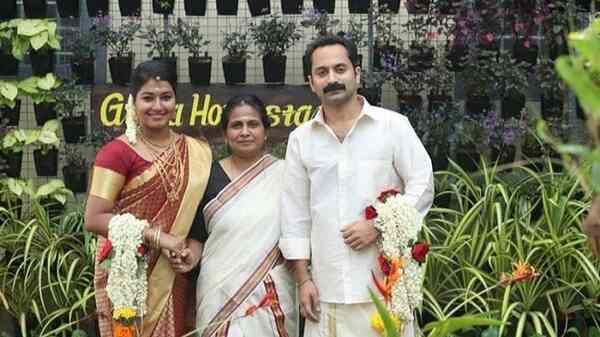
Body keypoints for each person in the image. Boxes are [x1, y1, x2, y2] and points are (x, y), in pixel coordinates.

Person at [279, 35, 434, 337]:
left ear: (357, 73)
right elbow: (295, 214)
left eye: (340, 69)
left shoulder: (393, 126)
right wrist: (302, 280)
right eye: (322, 73)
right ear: (311, 82)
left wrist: (379, 224)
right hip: (326, 289)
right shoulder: (301, 139)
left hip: (387, 283)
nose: (332, 78)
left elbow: (423, 184)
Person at [85, 60, 212, 337]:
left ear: (175, 101)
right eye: (148, 98)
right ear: (133, 102)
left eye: (165, 97)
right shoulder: (116, 153)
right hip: (126, 272)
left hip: (172, 271)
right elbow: (94, 218)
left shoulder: (194, 151)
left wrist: (192, 250)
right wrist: (160, 237)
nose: (157, 106)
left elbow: (199, 212)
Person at [175, 95, 298, 337]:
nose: (245, 132)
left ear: (265, 131)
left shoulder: (286, 175)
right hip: (217, 289)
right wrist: (188, 258)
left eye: (253, 124)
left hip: (270, 288)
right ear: (225, 134)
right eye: (236, 125)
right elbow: (198, 237)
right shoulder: (206, 178)